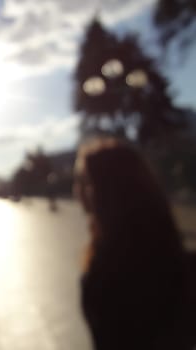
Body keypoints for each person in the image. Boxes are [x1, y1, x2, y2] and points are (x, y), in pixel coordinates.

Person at [74, 137, 191, 350]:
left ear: (101, 193)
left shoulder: (101, 278)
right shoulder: (184, 263)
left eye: (84, 181)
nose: (77, 190)